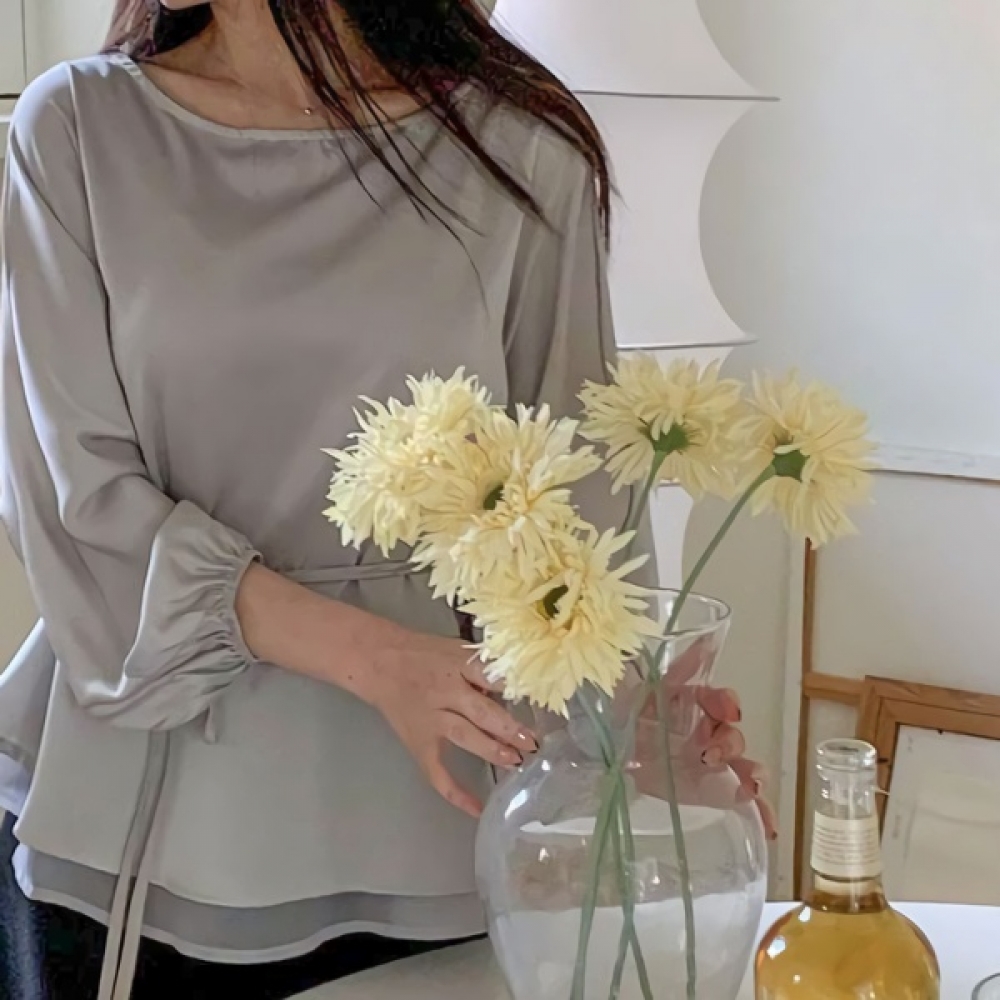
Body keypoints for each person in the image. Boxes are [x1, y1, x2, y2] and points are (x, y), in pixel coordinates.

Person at [0, 2, 773, 998]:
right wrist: (379, 659)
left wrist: (638, 740)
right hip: (145, 810)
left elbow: (573, 523)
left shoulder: (519, 153)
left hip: (431, 812)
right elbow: (77, 505)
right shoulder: (77, 129)